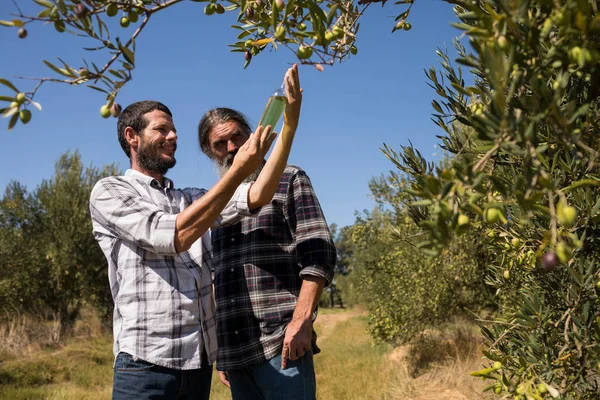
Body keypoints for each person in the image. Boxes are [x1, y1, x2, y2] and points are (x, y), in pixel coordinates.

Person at [89, 67, 302, 400]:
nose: (174, 136)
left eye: (174, 130)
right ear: (132, 136)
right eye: (162, 129)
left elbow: (258, 194)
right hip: (145, 364)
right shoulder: (110, 192)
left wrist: (289, 124)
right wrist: (237, 172)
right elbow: (174, 236)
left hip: (197, 364)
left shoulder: (190, 198)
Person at [198, 64, 336, 400]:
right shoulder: (215, 202)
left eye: (237, 137)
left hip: (282, 343)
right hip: (235, 352)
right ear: (209, 152)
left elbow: (318, 254)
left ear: (255, 135)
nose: (231, 147)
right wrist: (220, 354)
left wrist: (302, 320)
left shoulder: (289, 179)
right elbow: (217, 279)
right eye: (220, 144)